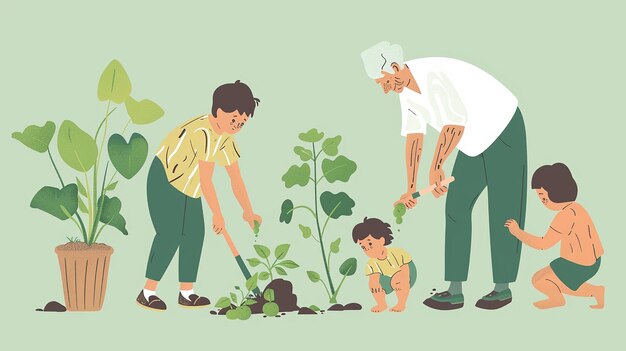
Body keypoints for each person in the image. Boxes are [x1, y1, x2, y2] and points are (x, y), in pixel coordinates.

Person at [360, 42, 528, 310]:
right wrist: (411, 187)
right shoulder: (406, 93)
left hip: (503, 127)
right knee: (456, 206)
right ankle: (455, 289)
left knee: (504, 210)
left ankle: (502, 288)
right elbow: (414, 138)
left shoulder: (431, 74)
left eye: (383, 81)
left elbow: (454, 123)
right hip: (473, 141)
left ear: (394, 68)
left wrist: (436, 166)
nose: (383, 87)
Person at [136, 80, 263, 311]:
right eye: (234, 119)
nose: (237, 125)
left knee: (194, 235)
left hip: (190, 186)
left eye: (242, 122)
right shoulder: (203, 132)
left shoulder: (226, 137)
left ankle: (186, 292)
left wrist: (247, 211)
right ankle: (147, 291)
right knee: (170, 234)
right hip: (165, 178)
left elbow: (235, 177)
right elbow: (207, 179)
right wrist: (218, 214)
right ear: (218, 110)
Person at [505, 163, 605, 309]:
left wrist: (517, 232)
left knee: (538, 280)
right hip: (593, 261)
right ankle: (596, 291)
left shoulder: (565, 216)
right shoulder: (577, 208)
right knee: (561, 282)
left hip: (579, 265)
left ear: (554, 192)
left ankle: (557, 299)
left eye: (542, 197)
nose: (542, 202)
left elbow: (542, 244)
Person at [352, 217, 417, 313]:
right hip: (388, 278)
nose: (367, 249)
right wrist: (374, 284)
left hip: (407, 274)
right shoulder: (371, 263)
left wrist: (403, 279)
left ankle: (401, 303)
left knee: (398, 279)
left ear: (381, 240)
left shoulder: (398, 253)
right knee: (373, 284)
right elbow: (374, 277)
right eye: (363, 247)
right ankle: (382, 304)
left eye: (370, 244)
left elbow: (405, 268)